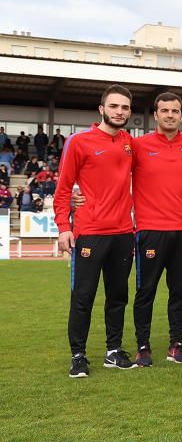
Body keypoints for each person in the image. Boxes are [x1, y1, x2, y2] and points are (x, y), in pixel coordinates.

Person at [54, 84, 137, 378]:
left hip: (124, 234)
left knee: (118, 296)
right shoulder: (79, 142)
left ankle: (113, 351)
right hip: (89, 232)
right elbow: (64, 188)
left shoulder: (130, 143)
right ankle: (78, 355)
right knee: (83, 297)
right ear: (102, 109)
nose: (120, 112)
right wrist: (64, 227)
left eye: (125, 107)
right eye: (114, 106)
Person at [129, 93, 182, 365]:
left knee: (179, 291)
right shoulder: (138, 145)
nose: (170, 115)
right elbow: (109, 172)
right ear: (156, 115)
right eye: (165, 110)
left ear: (181, 116)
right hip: (150, 230)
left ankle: (176, 344)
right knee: (145, 291)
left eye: (175, 111)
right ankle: (143, 346)